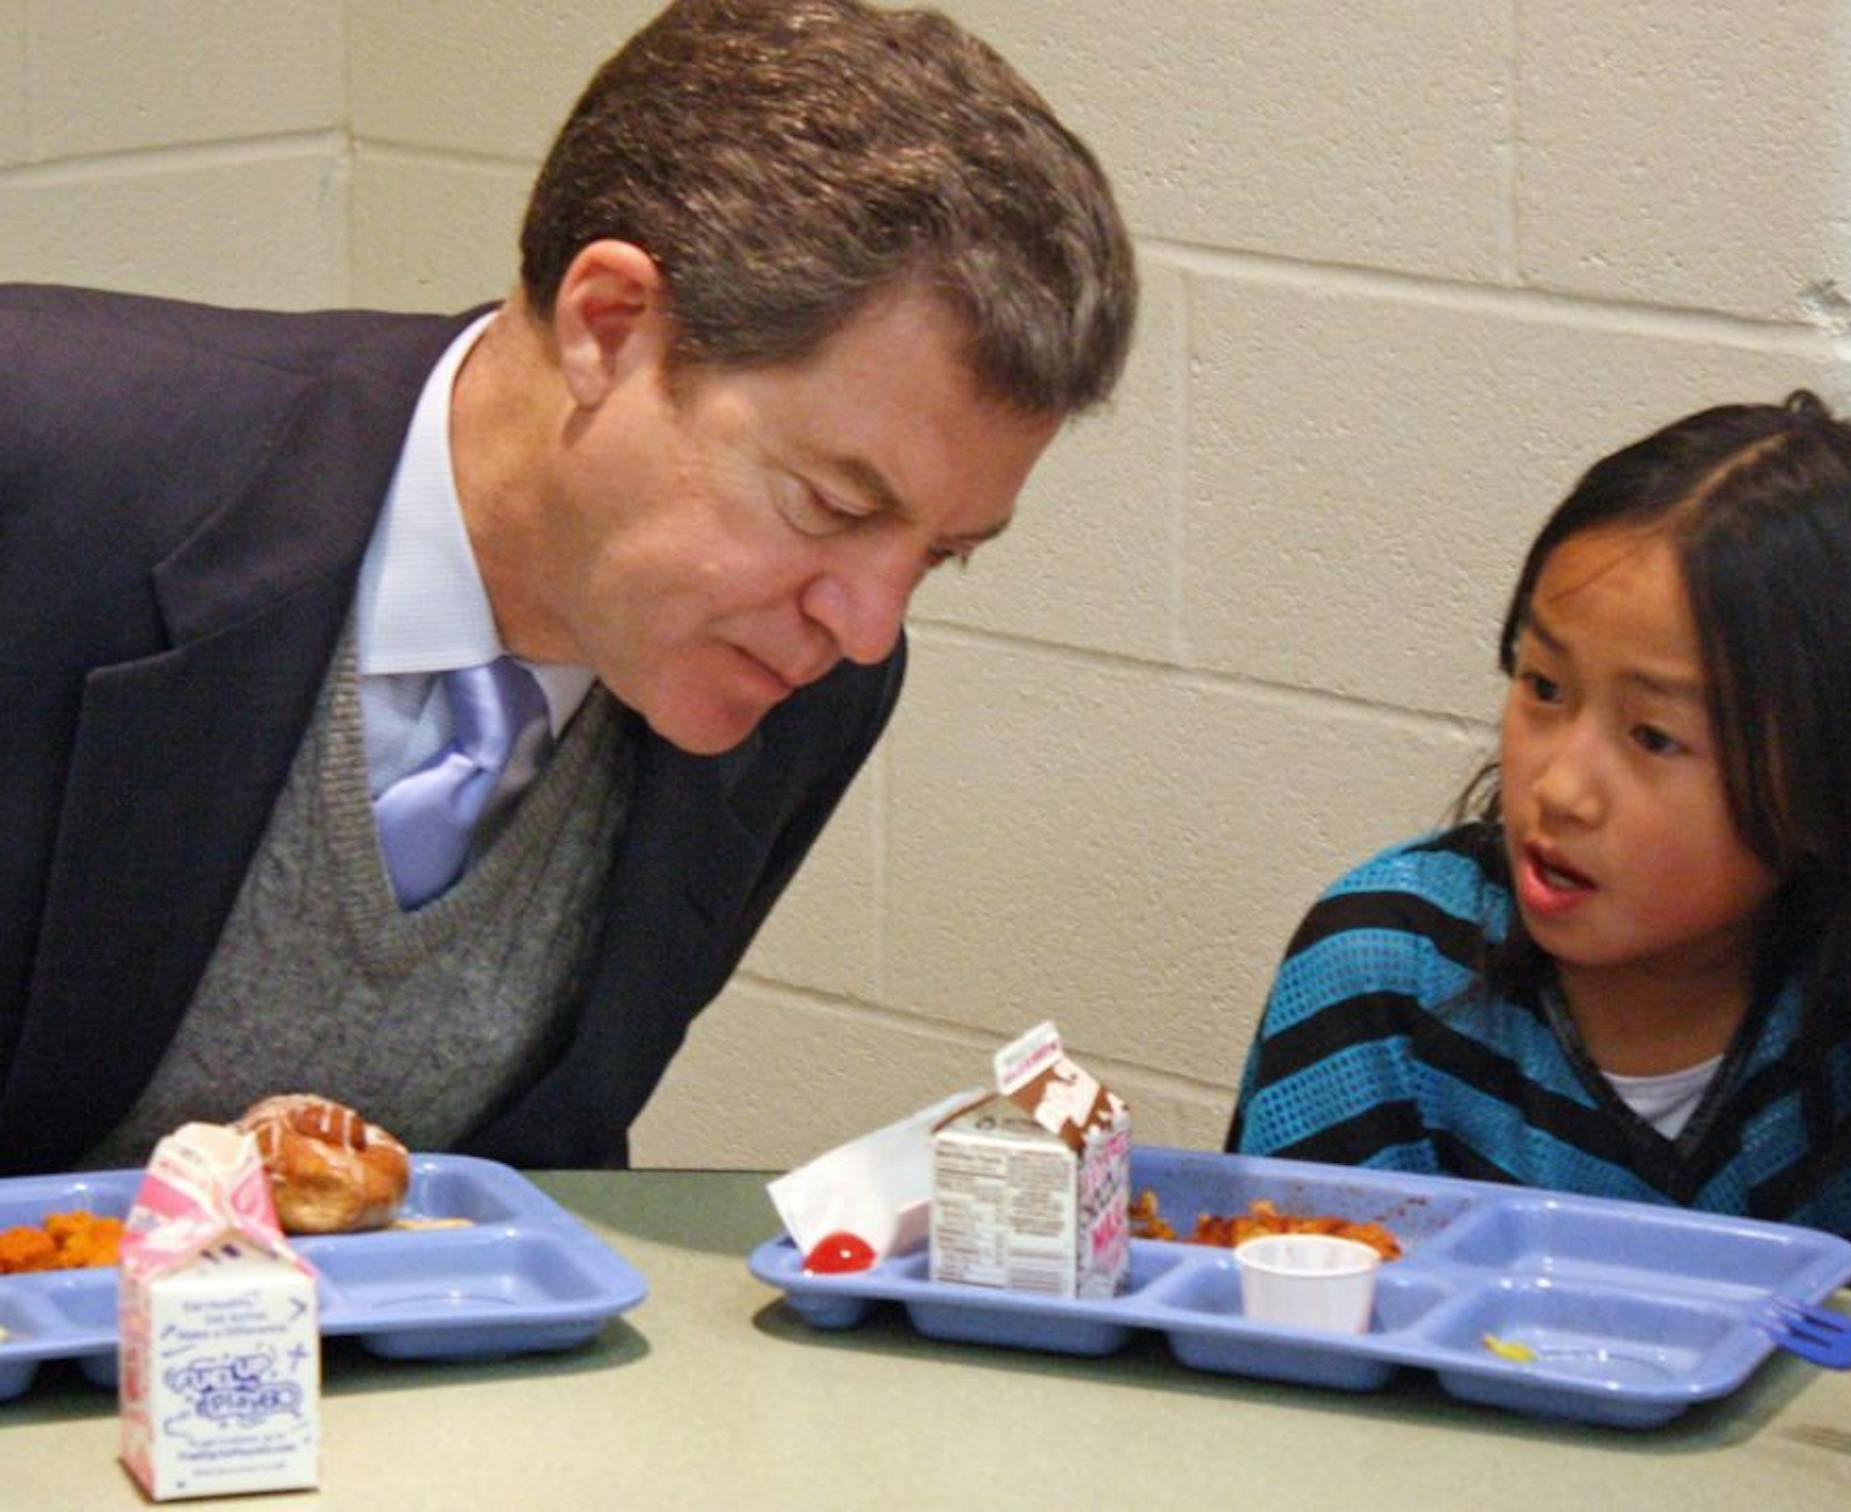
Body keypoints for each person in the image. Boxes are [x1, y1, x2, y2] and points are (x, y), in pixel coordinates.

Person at [0, 0, 1134, 1174]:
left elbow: (534, 1177)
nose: (865, 627)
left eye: (942, 553)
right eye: (832, 505)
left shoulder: (803, 685)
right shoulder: (42, 466)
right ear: (609, 325)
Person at [1227, 392, 1851, 1475]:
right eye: (1542, 686)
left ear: (1836, 787)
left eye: (1655, 737)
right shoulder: (1384, 966)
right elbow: (1280, 1347)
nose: (1561, 787)